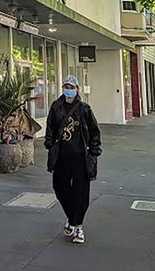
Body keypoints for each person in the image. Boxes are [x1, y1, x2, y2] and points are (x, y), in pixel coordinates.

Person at [44, 75, 101, 245]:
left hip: (80, 157)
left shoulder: (84, 109)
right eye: (66, 86)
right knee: (60, 187)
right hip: (61, 156)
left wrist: (94, 152)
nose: (68, 89)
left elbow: (94, 131)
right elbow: (50, 127)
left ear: (77, 89)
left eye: (71, 86)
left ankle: (78, 227)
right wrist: (49, 144)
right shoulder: (56, 107)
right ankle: (72, 218)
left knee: (80, 192)